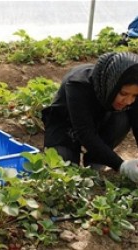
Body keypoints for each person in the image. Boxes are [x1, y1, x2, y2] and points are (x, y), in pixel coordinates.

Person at [42, 51, 138, 183]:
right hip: (66, 123)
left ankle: (96, 160)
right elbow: (85, 132)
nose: (128, 101)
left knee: (122, 119)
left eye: (134, 96)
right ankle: (74, 151)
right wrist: (121, 165)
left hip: (101, 119)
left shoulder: (131, 94)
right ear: (112, 83)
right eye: (123, 93)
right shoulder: (78, 84)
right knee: (65, 168)